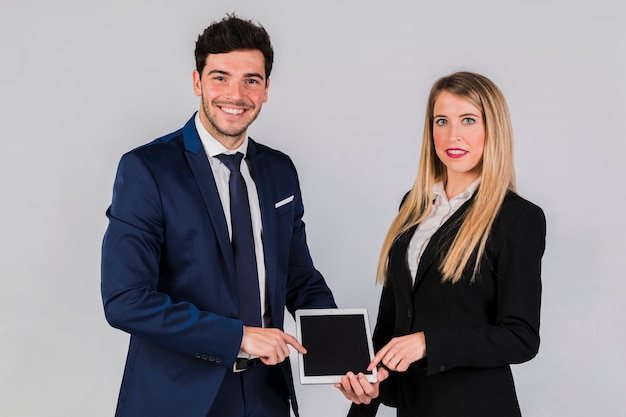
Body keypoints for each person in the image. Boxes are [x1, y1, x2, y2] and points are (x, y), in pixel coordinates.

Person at [101, 14, 336, 417]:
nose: (236, 93)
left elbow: (299, 278)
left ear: (265, 90)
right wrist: (239, 337)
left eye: (251, 80)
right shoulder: (148, 169)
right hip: (178, 397)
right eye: (220, 77)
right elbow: (126, 300)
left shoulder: (280, 171)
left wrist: (342, 356)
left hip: (266, 393)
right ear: (198, 82)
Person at [335, 71, 546, 416]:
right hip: (412, 406)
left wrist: (427, 342)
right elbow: (392, 323)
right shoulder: (413, 205)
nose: (453, 135)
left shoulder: (517, 218)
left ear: (492, 129)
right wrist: (369, 383)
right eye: (441, 121)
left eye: (468, 120)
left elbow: (520, 337)